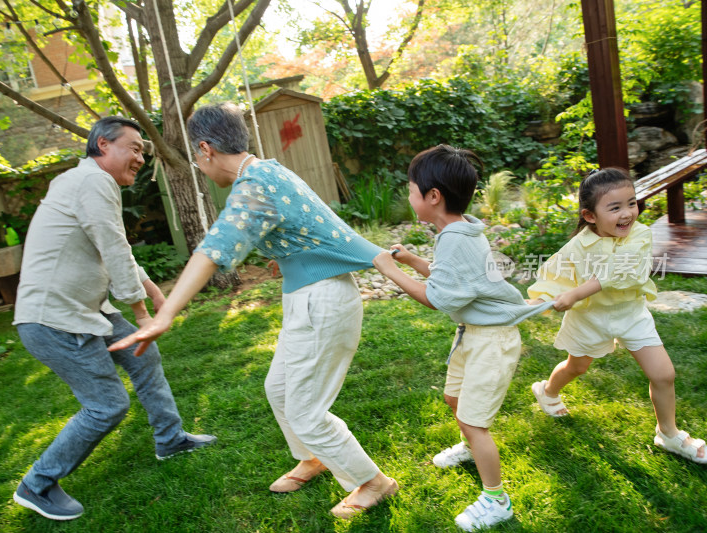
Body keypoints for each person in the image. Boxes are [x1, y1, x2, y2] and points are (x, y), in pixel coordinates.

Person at [109, 102, 398, 519]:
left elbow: (213, 249)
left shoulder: (255, 183)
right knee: (278, 389)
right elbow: (306, 224)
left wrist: (165, 313)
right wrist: (289, 254)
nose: (198, 163)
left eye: (195, 154)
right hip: (309, 297)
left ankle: (371, 482)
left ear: (206, 148)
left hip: (324, 302)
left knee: (305, 408)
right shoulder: (266, 172)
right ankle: (312, 457)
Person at [12, 116, 216, 521]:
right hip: (54, 321)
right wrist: (142, 312)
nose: (141, 157)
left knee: (145, 357)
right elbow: (112, 245)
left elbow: (116, 246)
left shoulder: (83, 181)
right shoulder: (92, 181)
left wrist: (155, 293)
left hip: (87, 312)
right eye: (134, 148)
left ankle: (170, 438)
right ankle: (37, 484)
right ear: (103, 145)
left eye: (143, 150)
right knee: (106, 406)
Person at [371, 145, 553, 531]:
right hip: (474, 334)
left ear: (432, 196)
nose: (408, 196)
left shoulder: (455, 237)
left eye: (411, 189)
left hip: (493, 340)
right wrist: (413, 261)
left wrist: (390, 270)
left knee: (474, 422)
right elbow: (449, 277)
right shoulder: (459, 230)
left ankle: (496, 499)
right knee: (453, 398)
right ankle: (471, 450)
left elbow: (434, 298)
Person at [527, 167, 706, 463]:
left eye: (631, 203)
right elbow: (555, 275)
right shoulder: (578, 245)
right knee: (577, 367)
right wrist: (542, 299)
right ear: (589, 216)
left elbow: (624, 273)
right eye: (615, 207)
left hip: (631, 315)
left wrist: (574, 294)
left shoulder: (641, 236)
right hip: (589, 318)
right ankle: (546, 391)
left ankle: (668, 433)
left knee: (664, 374)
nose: (627, 214)